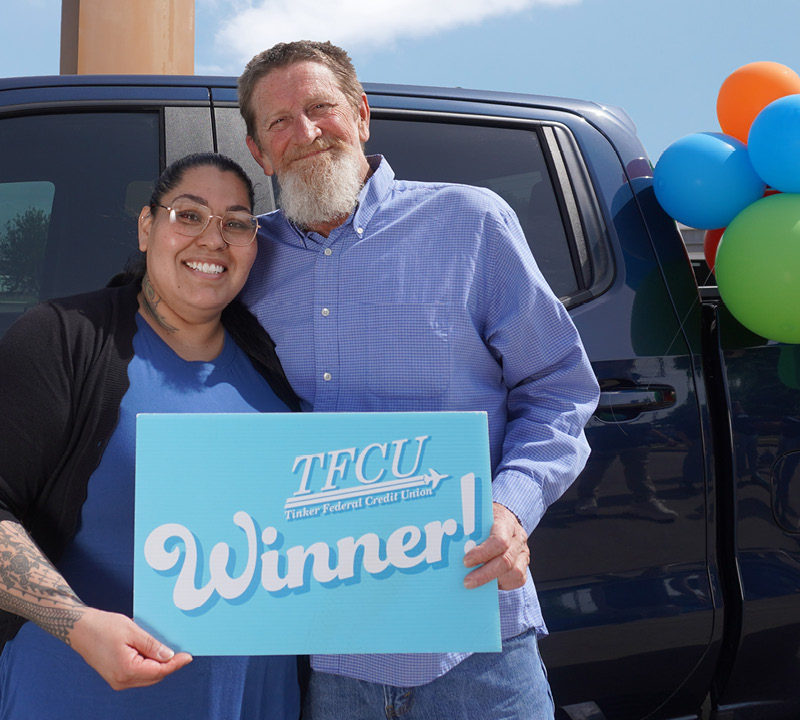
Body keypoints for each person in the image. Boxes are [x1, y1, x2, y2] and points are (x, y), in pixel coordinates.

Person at [236, 40, 601, 719]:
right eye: (279, 122)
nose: (306, 133)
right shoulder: (240, 261)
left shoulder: (471, 222)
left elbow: (559, 391)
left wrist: (511, 508)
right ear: (258, 152)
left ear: (363, 115)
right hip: (312, 654)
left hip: (474, 641)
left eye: (322, 108)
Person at [0, 153, 302, 719]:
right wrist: (75, 623)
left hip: (252, 701)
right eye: (189, 215)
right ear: (148, 227)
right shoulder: (65, 338)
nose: (213, 239)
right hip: (85, 694)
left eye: (236, 223)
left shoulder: (271, 356)